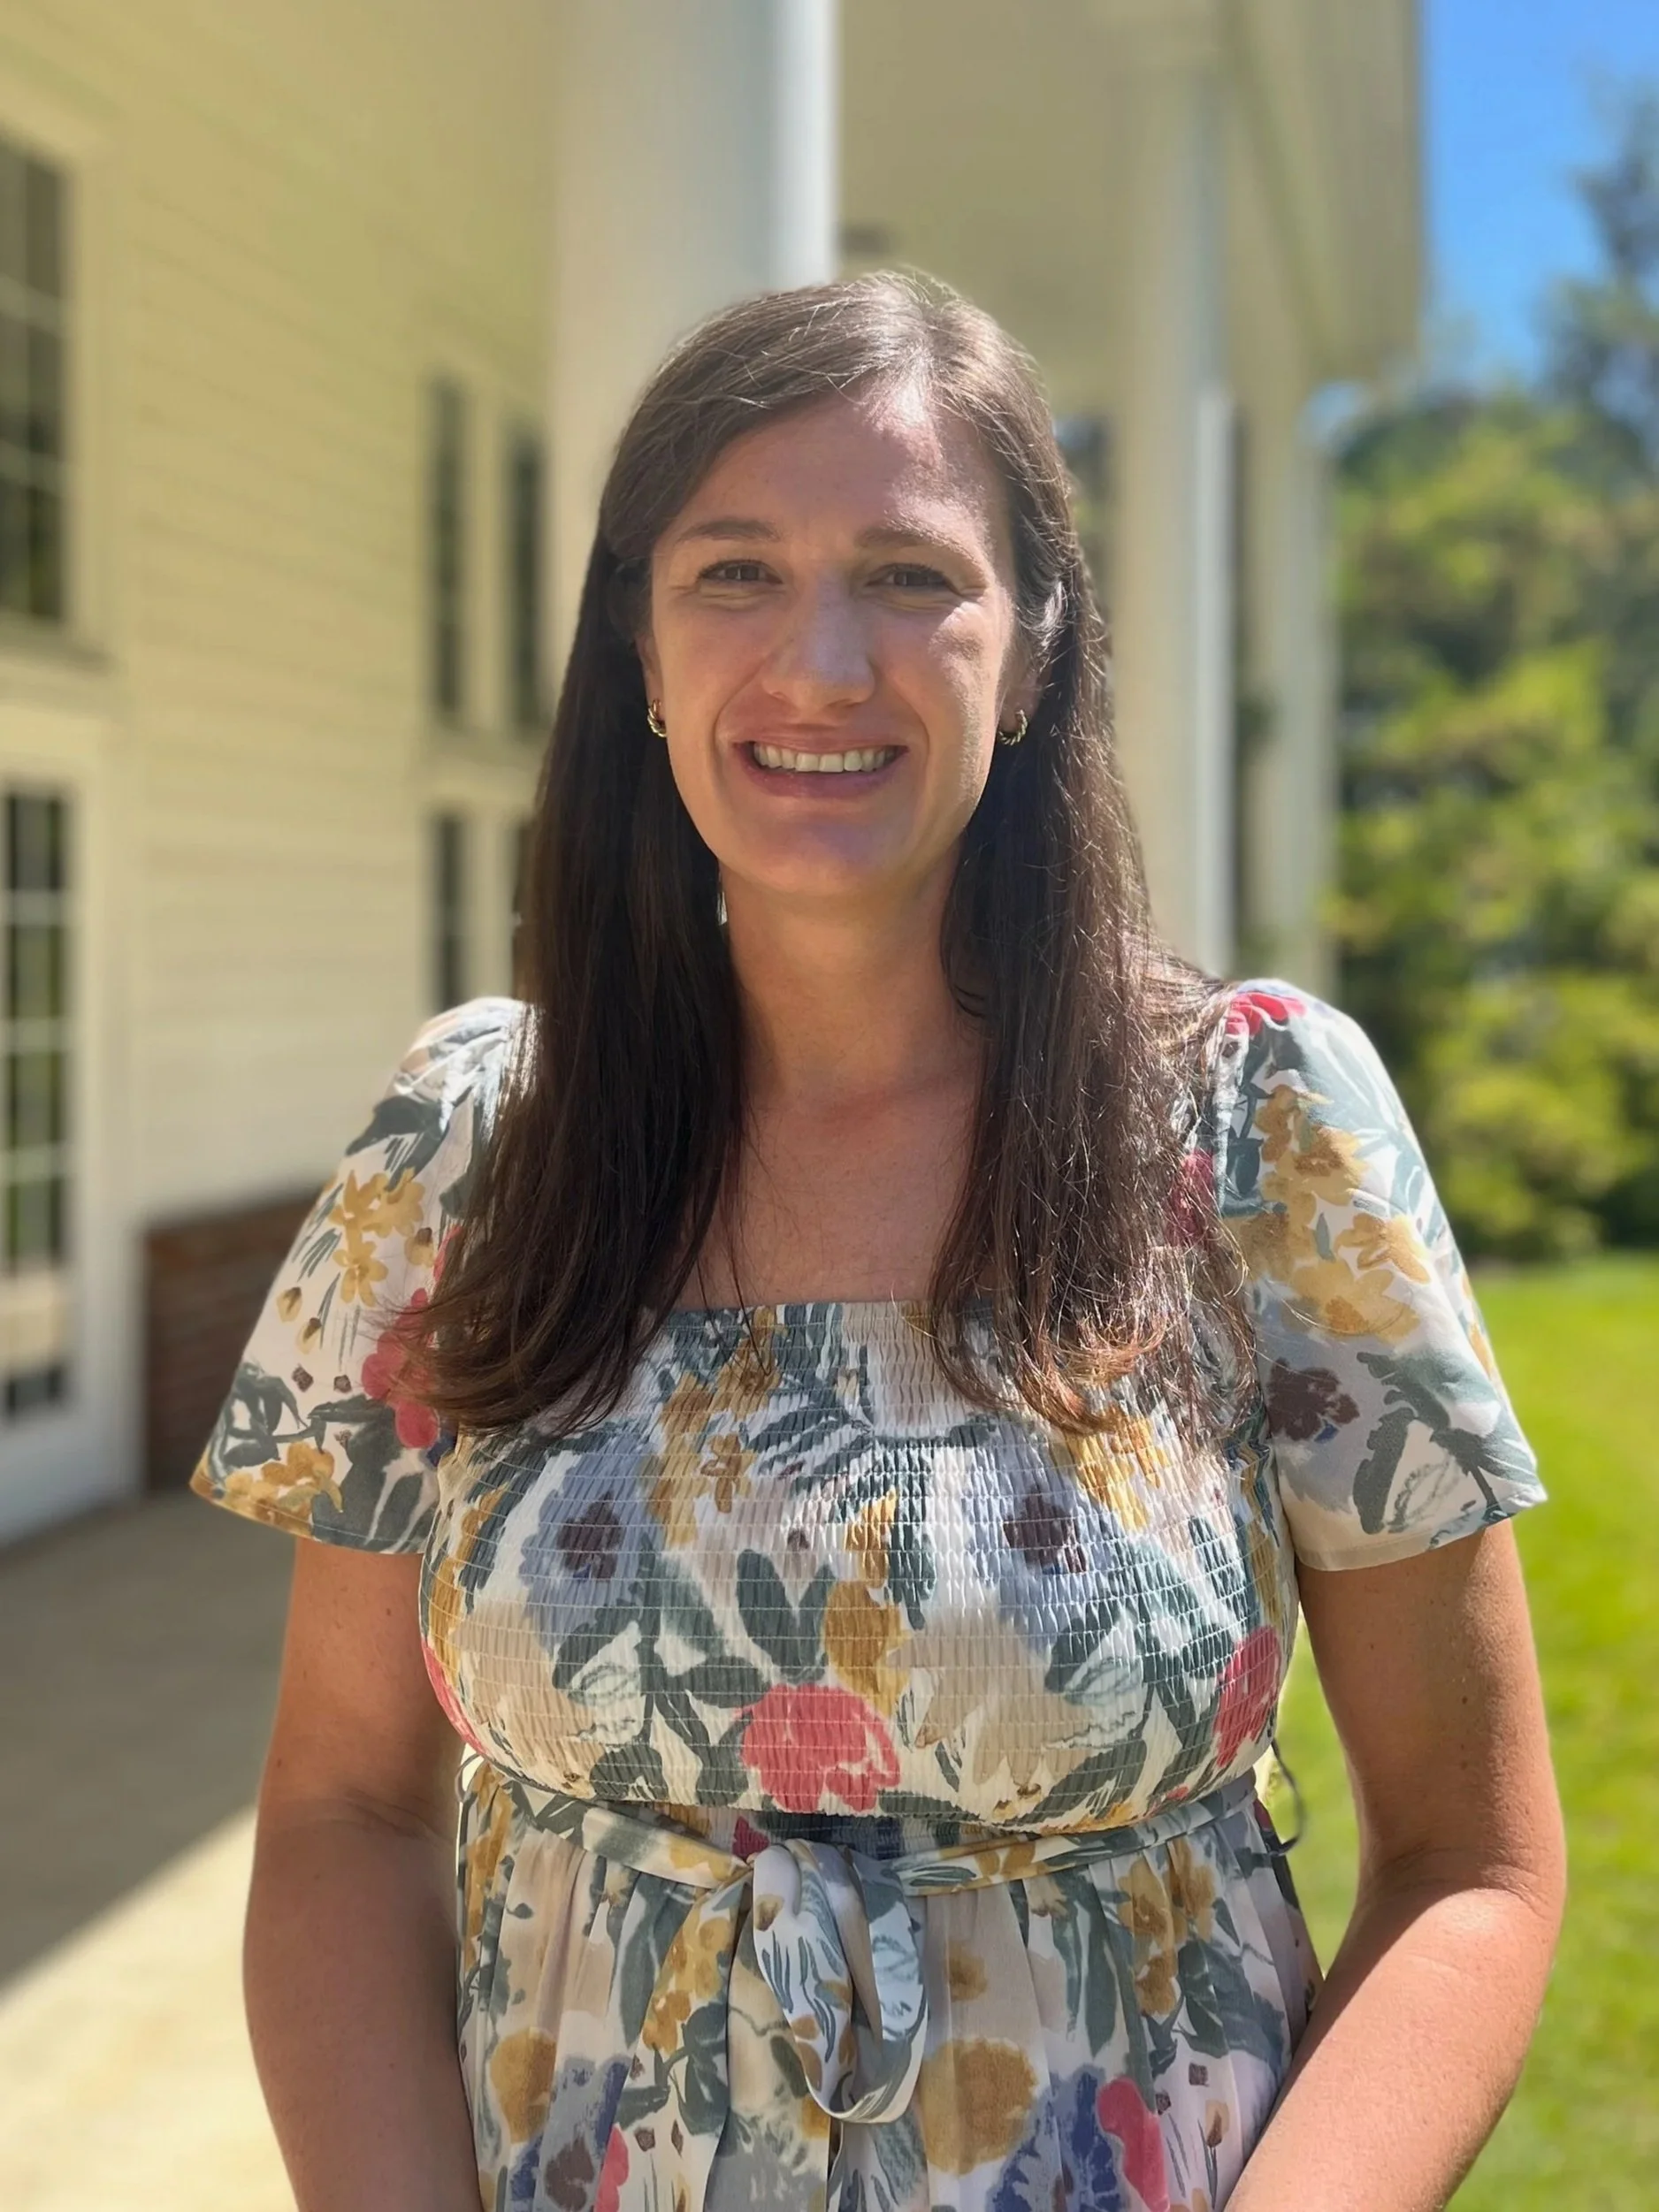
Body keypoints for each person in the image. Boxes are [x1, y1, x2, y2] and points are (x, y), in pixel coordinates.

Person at [194, 272, 1563, 2212]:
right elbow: (340, 1808)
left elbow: (1468, 1860)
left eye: (910, 576)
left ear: (1028, 651)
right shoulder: (472, 1143)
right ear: (641, 653)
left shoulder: (1257, 1124)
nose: (819, 661)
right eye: (733, 572)